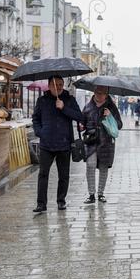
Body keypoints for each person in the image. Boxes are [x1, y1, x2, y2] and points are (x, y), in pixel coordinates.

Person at [31, 75, 84, 212]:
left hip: (64, 143)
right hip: (46, 144)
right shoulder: (42, 100)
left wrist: (64, 107)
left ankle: (61, 201)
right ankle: (41, 204)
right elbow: (35, 118)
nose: (58, 87)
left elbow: (79, 116)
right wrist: (40, 132)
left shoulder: (69, 100)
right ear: (49, 86)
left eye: (61, 84)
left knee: (64, 175)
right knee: (43, 174)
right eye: (55, 85)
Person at [81, 86, 123, 204]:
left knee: (103, 168)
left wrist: (110, 115)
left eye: (102, 93)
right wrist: (82, 126)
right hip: (91, 142)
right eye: (97, 92)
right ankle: (91, 194)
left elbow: (119, 125)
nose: (99, 95)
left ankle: (100, 194)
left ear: (106, 94)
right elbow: (82, 122)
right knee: (90, 165)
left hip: (106, 143)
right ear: (94, 92)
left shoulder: (111, 107)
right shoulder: (88, 107)